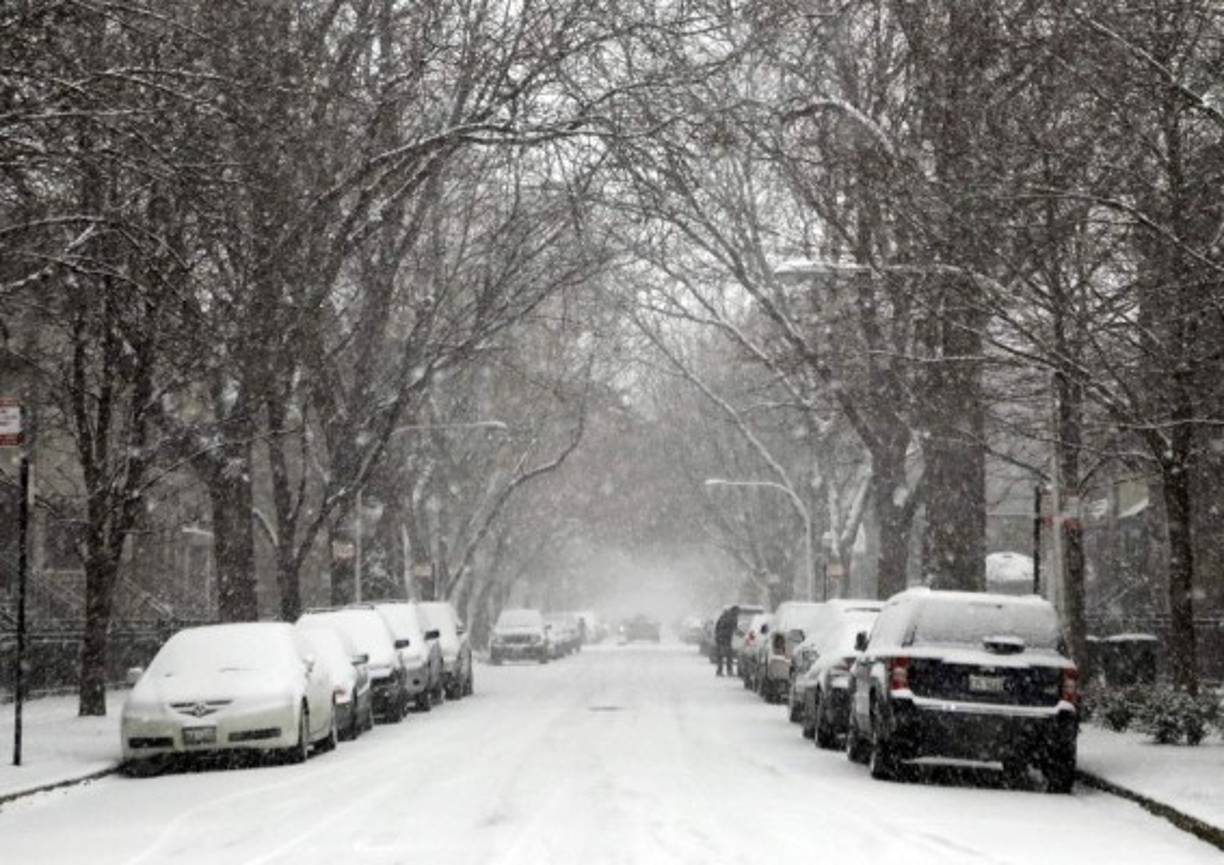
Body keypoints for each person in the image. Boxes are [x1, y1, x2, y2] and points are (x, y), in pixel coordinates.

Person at [713, 605, 739, 677]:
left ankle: (719, 671)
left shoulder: (723, 616)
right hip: (726, 638)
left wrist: (718, 635)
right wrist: (743, 635)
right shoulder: (733, 618)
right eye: (738, 612)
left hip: (720, 638)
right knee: (729, 655)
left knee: (720, 656)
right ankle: (729, 671)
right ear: (735, 611)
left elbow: (717, 626)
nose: (738, 613)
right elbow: (735, 629)